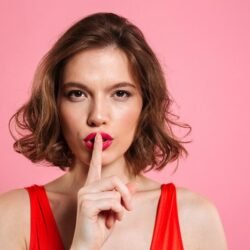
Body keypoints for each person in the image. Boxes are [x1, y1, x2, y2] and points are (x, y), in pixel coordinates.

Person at [0, 12, 227, 250]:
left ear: (145, 104)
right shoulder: (12, 216)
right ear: (55, 104)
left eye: (120, 94)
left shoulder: (194, 218)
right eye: (77, 94)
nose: (97, 116)